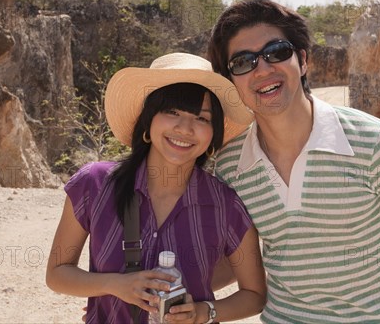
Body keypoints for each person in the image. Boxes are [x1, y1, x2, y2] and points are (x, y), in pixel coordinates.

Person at [207, 0, 380, 324]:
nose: (263, 69)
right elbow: (239, 260)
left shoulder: (374, 142)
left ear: (303, 60)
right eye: (243, 62)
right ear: (232, 82)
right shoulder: (230, 167)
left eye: (277, 52)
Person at [46, 53, 267, 324]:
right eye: (172, 112)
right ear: (147, 122)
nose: (185, 128)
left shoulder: (226, 205)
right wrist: (115, 286)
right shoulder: (94, 184)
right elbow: (57, 273)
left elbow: (254, 293)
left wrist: (202, 311)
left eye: (202, 118)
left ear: (213, 137)